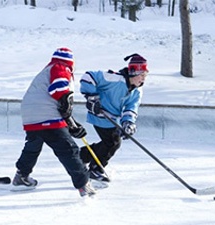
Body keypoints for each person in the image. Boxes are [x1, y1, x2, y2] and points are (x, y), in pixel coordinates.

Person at [12, 47, 96, 197]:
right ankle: (84, 185)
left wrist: (72, 124)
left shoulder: (46, 71)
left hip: (30, 114)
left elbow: (60, 107)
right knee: (68, 150)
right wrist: (68, 106)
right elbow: (59, 91)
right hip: (46, 114)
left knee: (33, 146)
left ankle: (21, 177)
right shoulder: (60, 67)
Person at [79, 53, 149, 182]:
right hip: (100, 114)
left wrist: (128, 122)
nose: (143, 79)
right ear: (133, 72)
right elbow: (88, 77)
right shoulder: (114, 78)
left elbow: (131, 107)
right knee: (113, 142)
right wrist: (92, 98)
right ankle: (96, 169)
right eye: (141, 75)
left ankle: (80, 156)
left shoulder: (137, 91)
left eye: (146, 75)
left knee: (109, 143)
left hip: (112, 118)